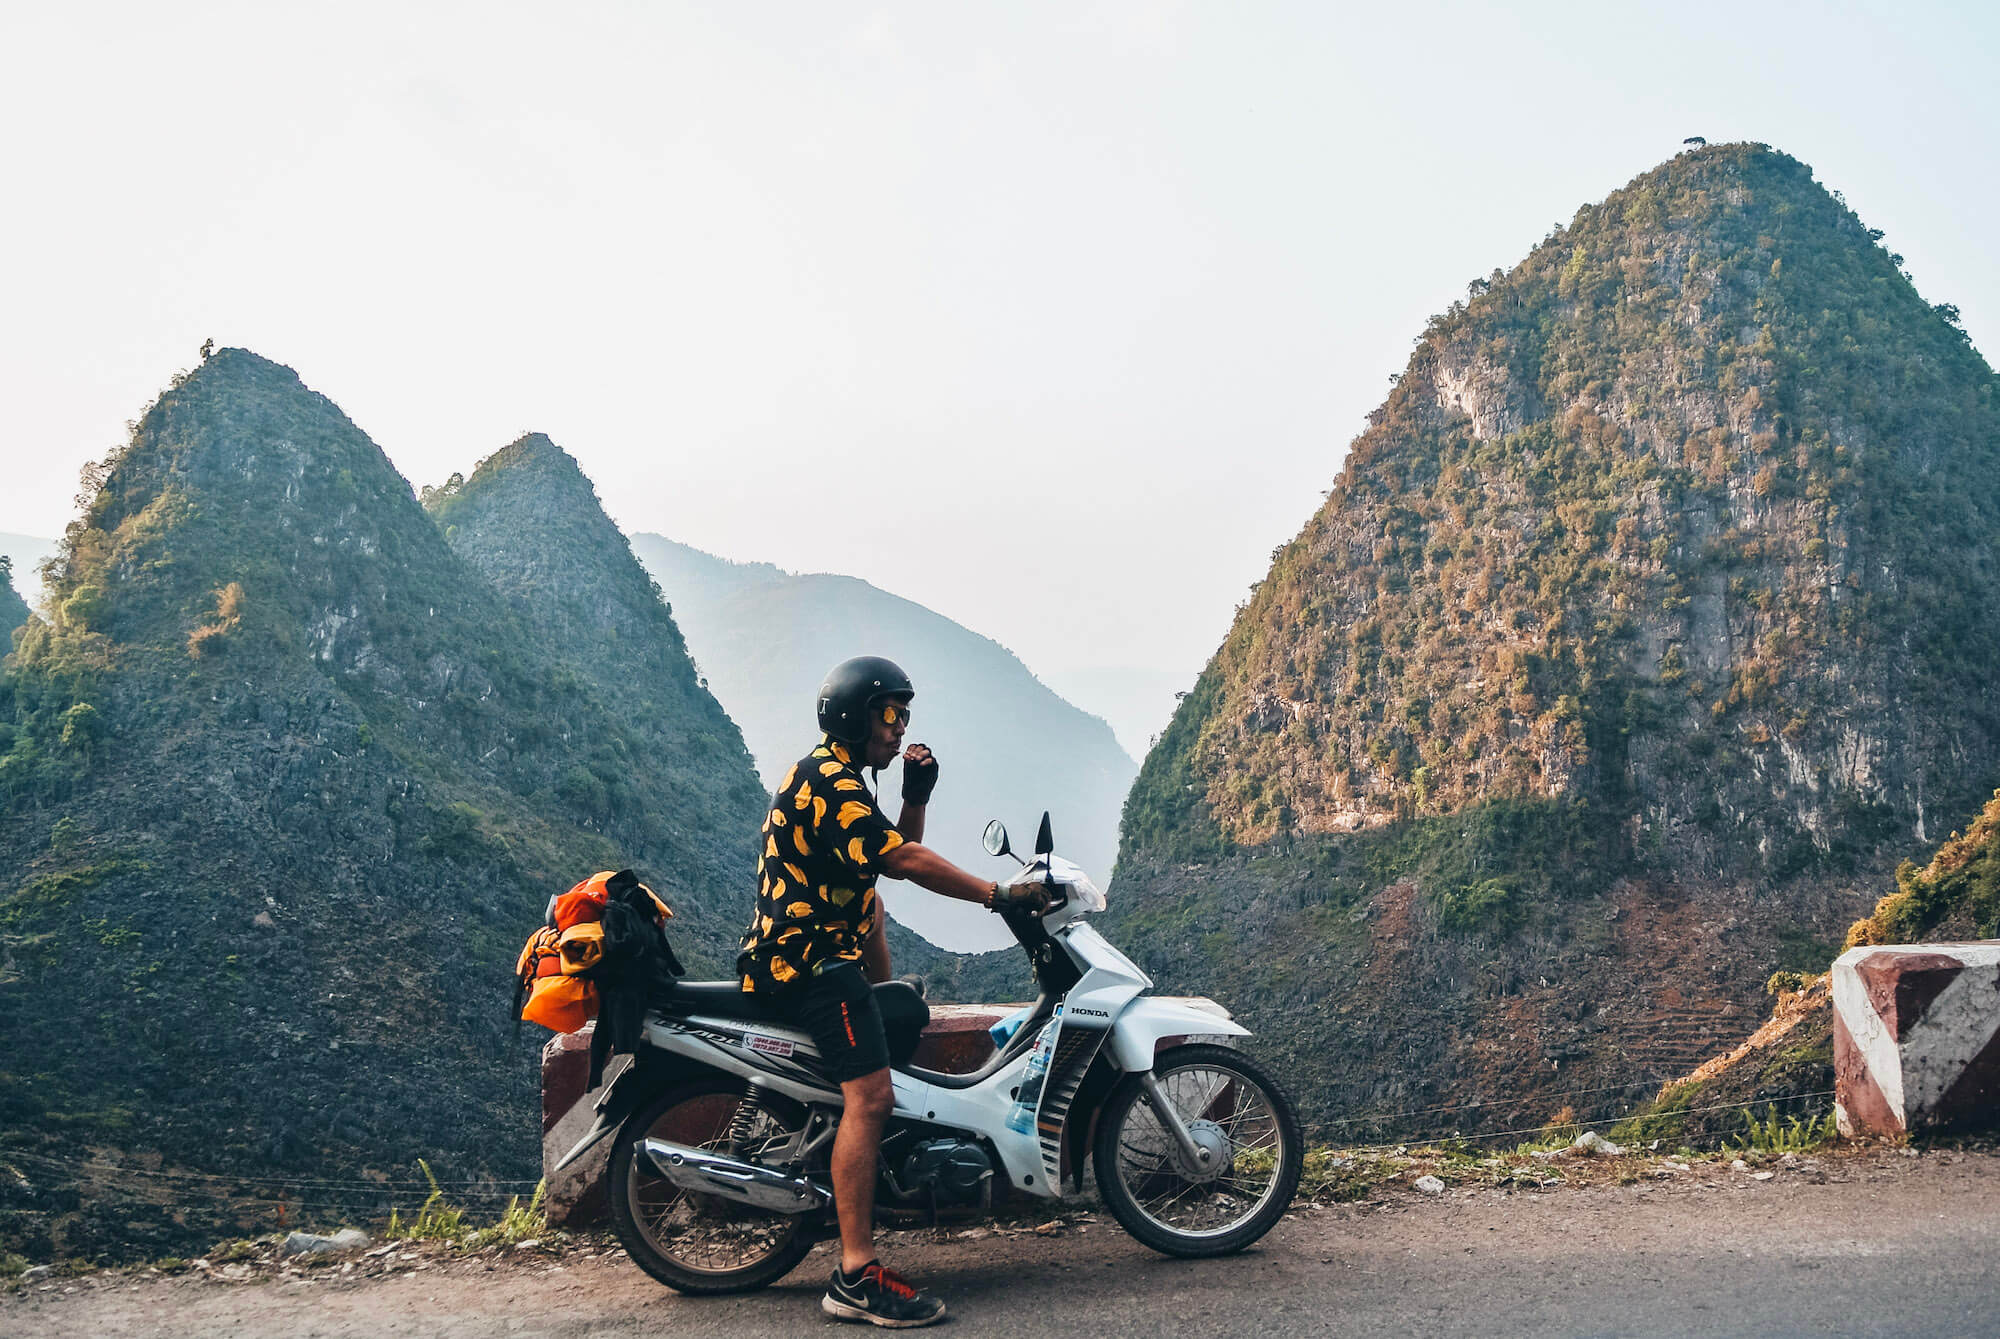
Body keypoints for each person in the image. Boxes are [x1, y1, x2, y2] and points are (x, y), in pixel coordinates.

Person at [737, 655, 1046, 1328]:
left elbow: (887, 860)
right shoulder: (829, 780)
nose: (899, 724)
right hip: (810, 964)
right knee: (871, 1096)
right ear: (854, 713)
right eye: (889, 712)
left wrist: (917, 792)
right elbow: (903, 859)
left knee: (899, 998)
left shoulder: (839, 775)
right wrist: (998, 893)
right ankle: (854, 1273)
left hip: (822, 956)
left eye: (904, 713)